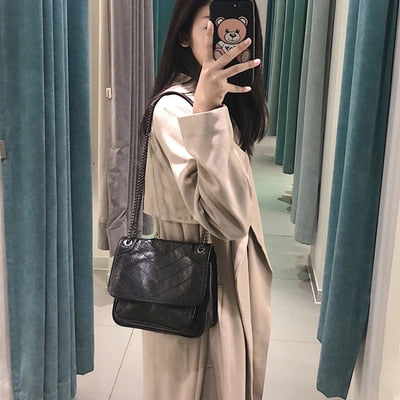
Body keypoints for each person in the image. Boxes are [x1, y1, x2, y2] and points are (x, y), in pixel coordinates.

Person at [142, 1, 272, 399]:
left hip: (225, 280)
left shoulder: (223, 103)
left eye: (237, 25)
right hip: (197, 284)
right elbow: (228, 219)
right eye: (211, 24)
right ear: (183, 35)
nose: (227, 36)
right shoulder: (174, 109)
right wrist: (207, 112)